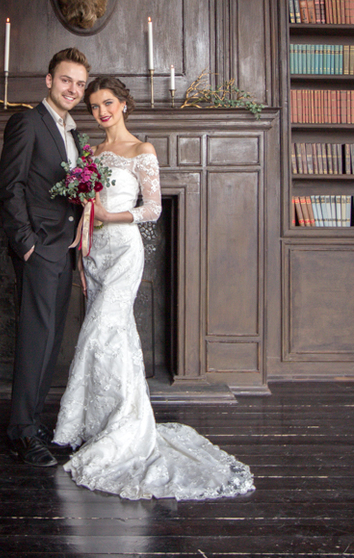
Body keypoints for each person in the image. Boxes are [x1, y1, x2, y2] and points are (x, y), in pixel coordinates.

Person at [53, 75, 255, 500]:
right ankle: (104, 420)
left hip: (124, 250)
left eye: (108, 103)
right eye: (94, 106)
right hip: (95, 252)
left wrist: (111, 217)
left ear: (124, 104)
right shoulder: (91, 153)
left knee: (101, 331)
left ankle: (119, 425)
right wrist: (85, 242)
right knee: (116, 334)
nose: (101, 112)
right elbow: (85, 207)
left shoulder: (142, 150)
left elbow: (153, 208)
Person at [0, 47, 90, 468]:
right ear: (49, 80)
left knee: (50, 340)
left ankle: (32, 423)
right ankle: (20, 432)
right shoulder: (27, 122)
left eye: (80, 84)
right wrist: (27, 243)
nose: (73, 89)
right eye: (66, 80)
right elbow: (11, 186)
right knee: (36, 339)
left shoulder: (74, 132)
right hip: (39, 249)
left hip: (63, 249)